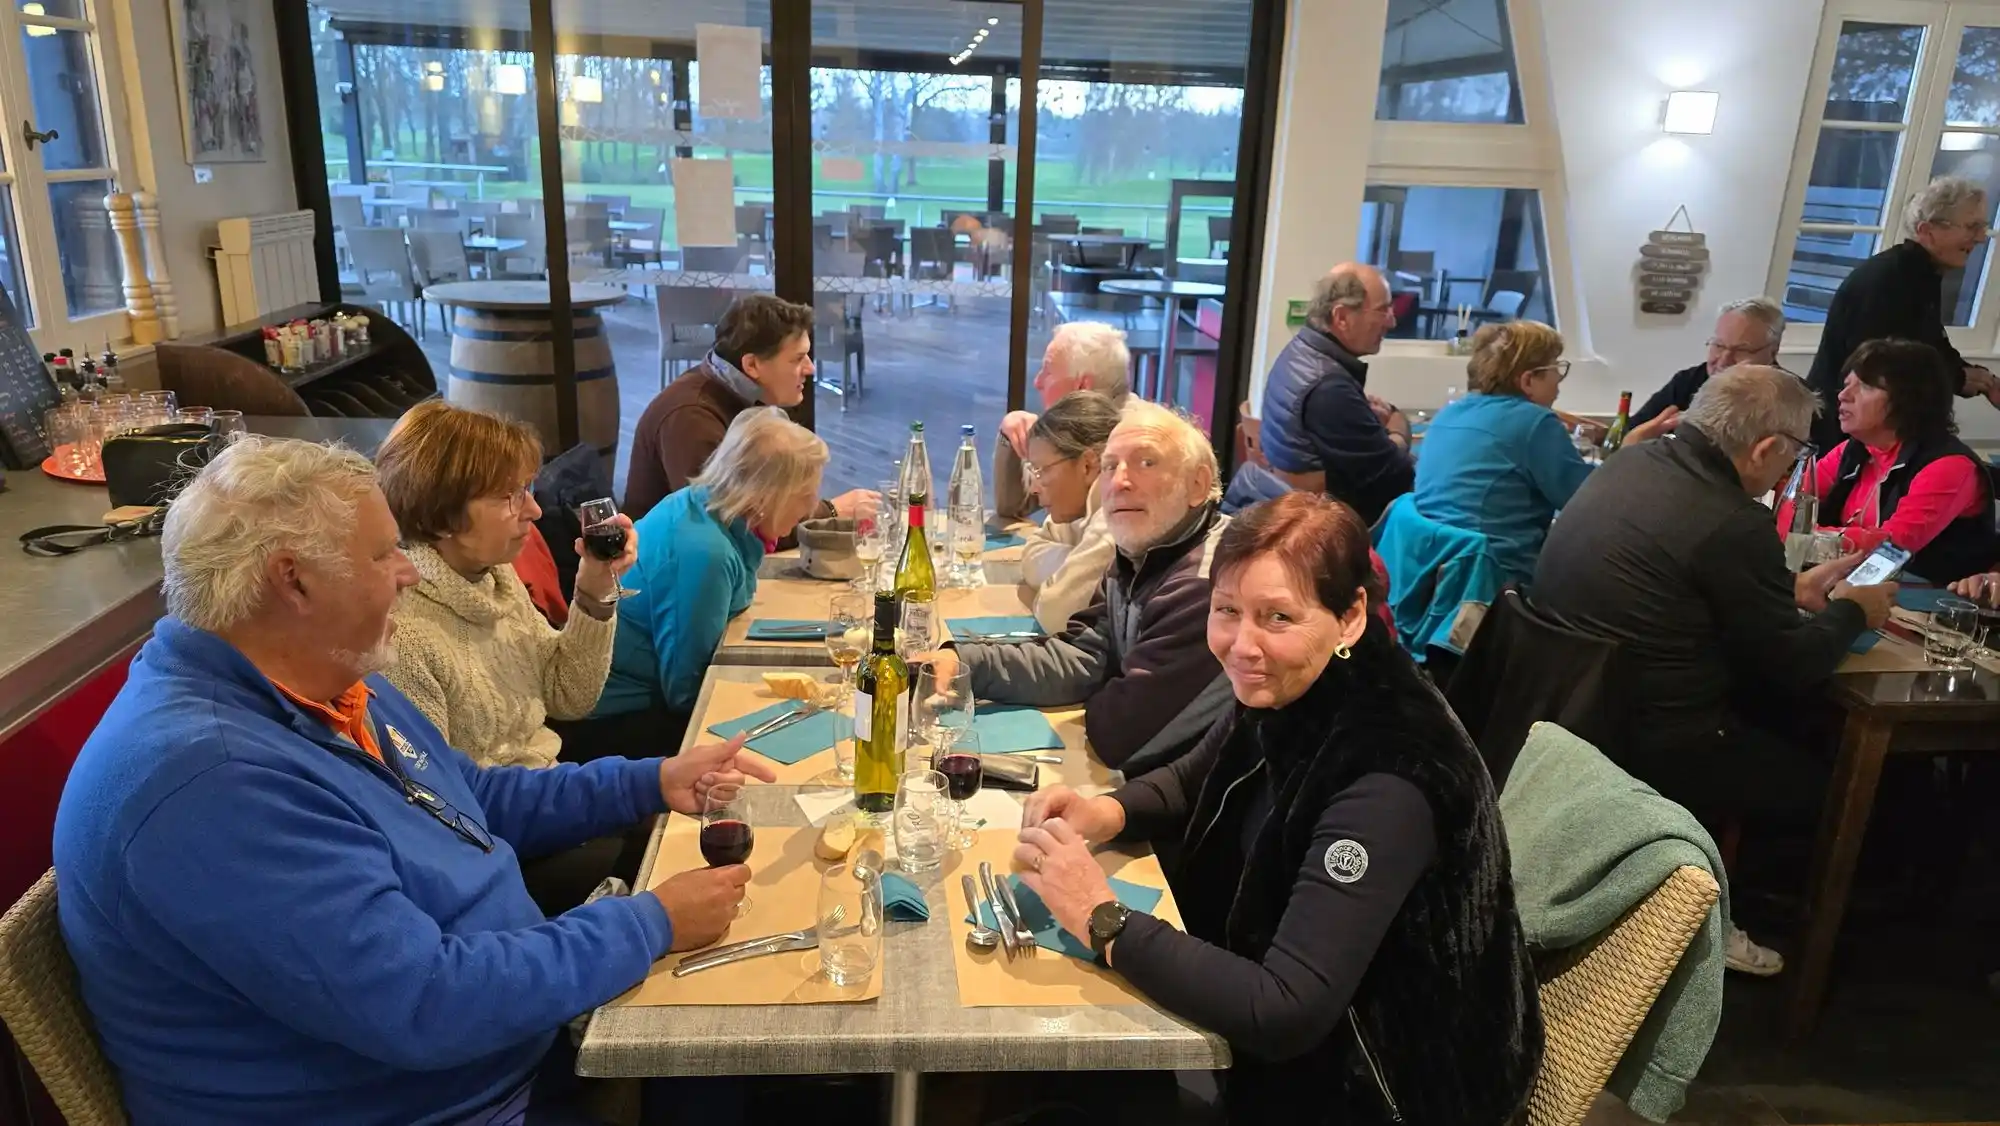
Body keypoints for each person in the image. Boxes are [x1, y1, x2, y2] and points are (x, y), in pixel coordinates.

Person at [51, 435, 773, 1125]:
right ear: (293, 580)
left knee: (737, 1059)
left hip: (499, 1050)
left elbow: (472, 798)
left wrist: (650, 781)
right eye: (384, 553)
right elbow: (424, 1004)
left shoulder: (326, 680)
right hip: (438, 1104)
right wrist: (650, 922)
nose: (409, 572)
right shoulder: (210, 784)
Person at [1013, 492, 1541, 1125]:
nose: (1242, 644)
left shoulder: (1389, 772)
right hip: (1285, 1048)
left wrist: (1103, 918)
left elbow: (1284, 1008)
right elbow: (1193, 779)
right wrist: (1105, 813)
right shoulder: (1295, 685)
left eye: (1278, 617)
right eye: (1227, 610)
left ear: (1350, 617)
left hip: (1386, 1090)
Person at [1531, 366, 1898, 975]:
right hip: (1660, 741)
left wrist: (1790, 588)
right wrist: (1854, 611)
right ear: (1764, 448)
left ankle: (1688, 891)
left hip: (1571, 707)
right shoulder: (1733, 519)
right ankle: (1698, 913)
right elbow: (1794, 665)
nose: (1790, 467)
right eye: (1795, 453)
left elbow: (1680, 578)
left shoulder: (1633, 462)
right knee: (1833, 778)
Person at [924, 400, 1231, 774]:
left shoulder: (1205, 587)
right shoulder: (1144, 550)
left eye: (1146, 463)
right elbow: (1081, 658)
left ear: (1197, 484)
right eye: (1110, 466)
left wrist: (1103, 680)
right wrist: (964, 661)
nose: (1120, 481)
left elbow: (1120, 733)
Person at [376, 400, 634, 769]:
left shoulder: (493, 575)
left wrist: (595, 587)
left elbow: (567, 694)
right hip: (512, 803)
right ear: (441, 515)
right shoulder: (403, 637)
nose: (535, 510)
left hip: (551, 779)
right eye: (509, 496)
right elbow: (439, 789)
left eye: (527, 489)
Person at [592, 407, 828, 747]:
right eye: (805, 495)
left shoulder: (706, 506)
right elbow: (686, 693)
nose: (811, 507)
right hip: (622, 720)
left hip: (648, 698)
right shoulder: (706, 553)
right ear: (764, 497)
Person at [1412, 320, 1674, 586]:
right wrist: (1629, 451)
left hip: (1436, 572)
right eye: (1555, 368)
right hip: (1498, 579)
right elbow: (1590, 504)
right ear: (1528, 380)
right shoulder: (1534, 422)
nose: (1559, 380)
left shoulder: (1449, 414)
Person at [623, 293, 872, 521]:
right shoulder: (691, 417)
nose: (810, 368)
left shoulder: (747, 396)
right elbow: (728, 523)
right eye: (797, 359)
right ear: (752, 365)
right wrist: (830, 512)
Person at [1805, 175, 2000, 450]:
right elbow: (1878, 370)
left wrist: (1970, 375)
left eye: (1982, 227)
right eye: (1972, 227)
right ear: (1927, 231)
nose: (1980, 238)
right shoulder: (1889, 281)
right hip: (1844, 436)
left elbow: (1930, 344)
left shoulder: (1919, 273)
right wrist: (1957, 378)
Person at [1791, 338, 1997, 584]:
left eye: (1865, 386)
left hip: (1938, 597)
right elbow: (1791, 503)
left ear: (1909, 398)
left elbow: (1890, 549)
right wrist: (1802, 535)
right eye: (1846, 385)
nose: (1844, 396)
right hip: (1863, 585)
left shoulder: (1949, 466)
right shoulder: (1853, 449)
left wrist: (1805, 537)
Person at [1241, 263, 1413, 524]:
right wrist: (1398, 426)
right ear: (1341, 317)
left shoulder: (1299, 351)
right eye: (1383, 310)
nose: (1392, 321)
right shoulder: (1329, 388)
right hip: (1328, 526)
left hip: (1292, 511)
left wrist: (1362, 418)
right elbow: (1395, 476)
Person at [994, 322, 1132, 520]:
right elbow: (1015, 506)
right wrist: (1010, 436)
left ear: (1082, 386)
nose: (1037, 382)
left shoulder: (1128, 443)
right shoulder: (1075, 426)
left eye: (1048, 371)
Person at [1018, 391, 1121, 632]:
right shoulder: (1085, 506)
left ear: (1087, 465)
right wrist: (1074, 561)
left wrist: (1066, 578)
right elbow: (1033, 550)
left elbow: (1054, 614)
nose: (1034, 488)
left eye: (1041, 470)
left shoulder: (1115, 515)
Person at [1631, 297, 1787, 429]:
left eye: (1742, 350)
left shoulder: (1792, 400)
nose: (1724, 360)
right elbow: (1632, 432)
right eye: (1719, 345)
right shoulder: (1687, 382)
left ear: (1773, 351)